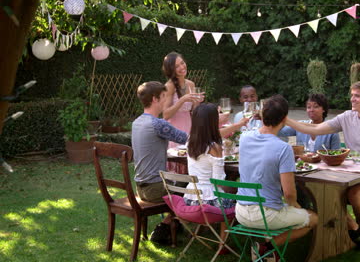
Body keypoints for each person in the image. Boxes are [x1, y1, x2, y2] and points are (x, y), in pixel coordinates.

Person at [285, 81, 360, 248]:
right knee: (326, 191)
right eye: (352, 95)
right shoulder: (346, 117)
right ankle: (351, 229)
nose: (352, 99)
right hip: (351, 172)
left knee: (355, 195)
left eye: (357, 96)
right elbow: (315, 129)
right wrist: (285, 120)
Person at [236, 95, 318, 260]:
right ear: (284, 118)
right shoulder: (283, 149)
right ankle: (268, 246)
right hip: (265, 216)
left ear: (262, 115)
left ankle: (264, 244)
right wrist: (295, 207)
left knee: (284, 210)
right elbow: (288, 194)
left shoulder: (244, 138)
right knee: (313, 217)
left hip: (241, 212)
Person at [131, 81, 188, 244]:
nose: (166, 100)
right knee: (192, 185)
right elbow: (187, 138)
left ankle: (176, 223)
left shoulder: (137, 123)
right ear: (155, 99)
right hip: (155, 189)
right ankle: (166, 225)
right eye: (164, 97)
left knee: (181, 179)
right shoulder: (158, 124)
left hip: (141, 187)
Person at [184, 103, 236, 254]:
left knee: (231, 190)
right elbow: (219, 180)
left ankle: (204, 234)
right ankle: (222, 244)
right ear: (213, 123)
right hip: (209, 202)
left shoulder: (190, 142)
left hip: (191, 197)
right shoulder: (214, 147)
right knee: (234, 195)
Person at [162, 52, 202, 174]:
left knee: (190, 164)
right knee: (178, 163)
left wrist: (198, 102)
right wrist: (182, 100)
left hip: (189, 128)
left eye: (182, 63)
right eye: (176, 66)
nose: (182, 67)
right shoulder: (169, 86)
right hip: (174, 130)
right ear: (171, 69)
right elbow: (165, 114)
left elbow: (194, 111)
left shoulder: (191, 84)